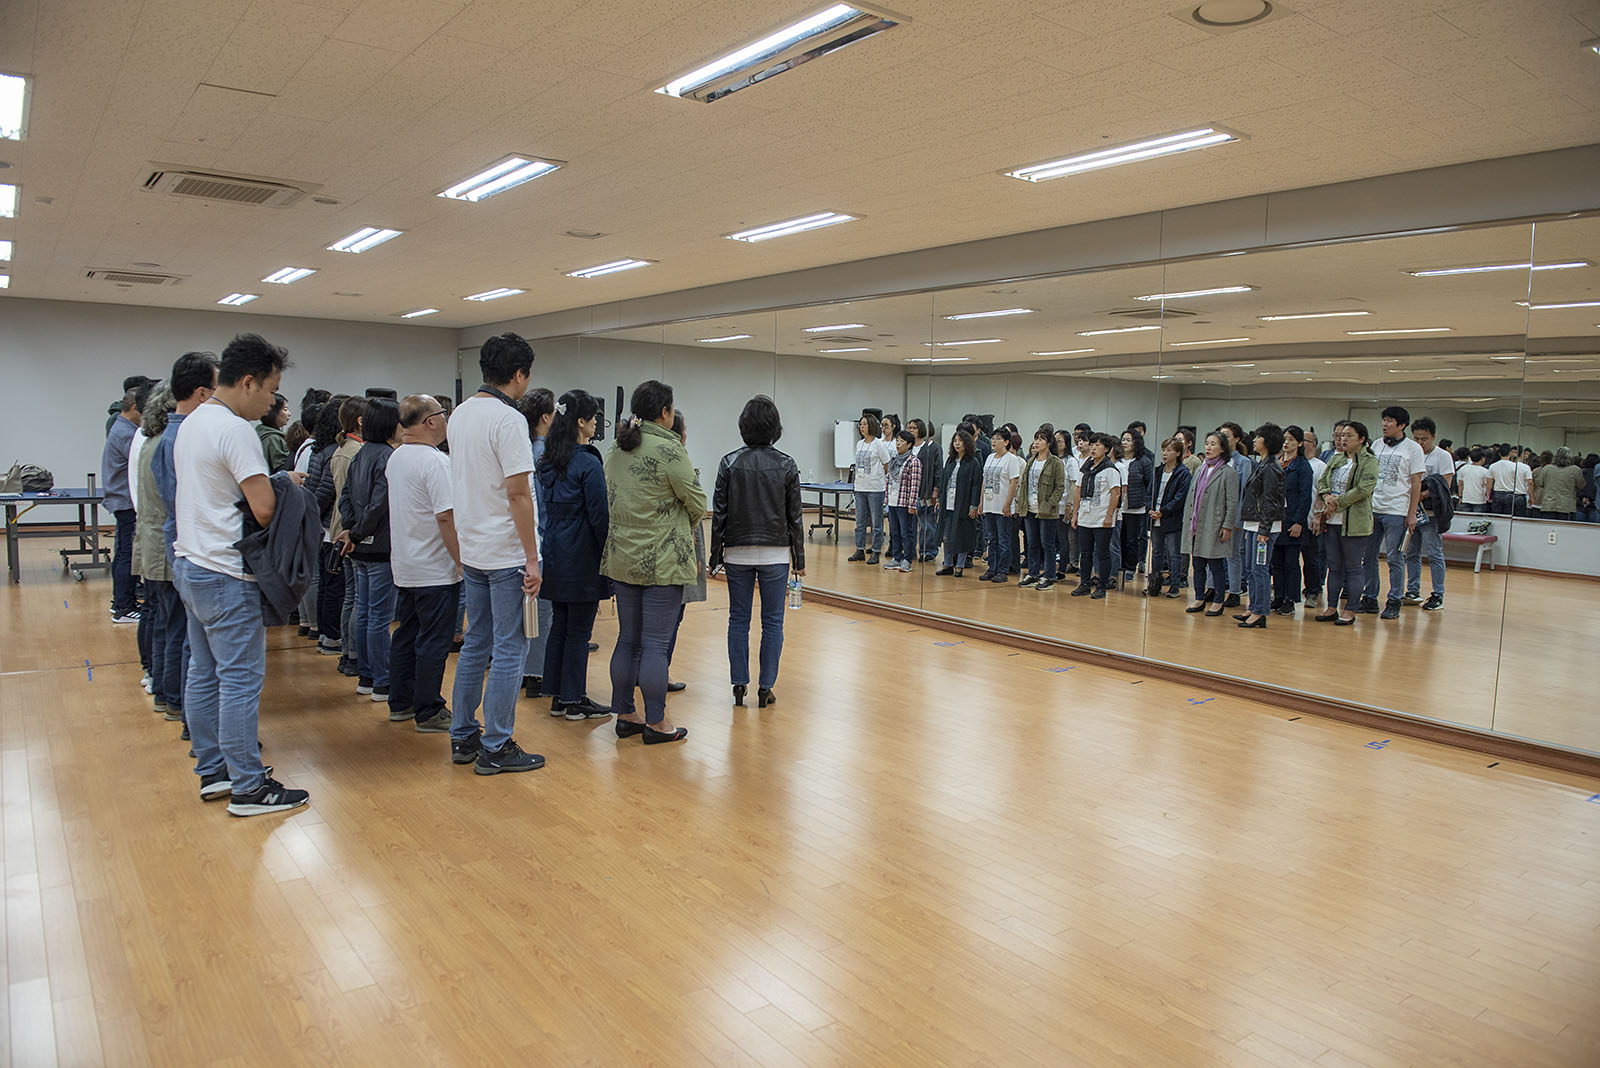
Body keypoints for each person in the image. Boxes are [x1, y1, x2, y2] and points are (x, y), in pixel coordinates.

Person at [172, 333, 309, 816]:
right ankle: (250, 787)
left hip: (191, 563)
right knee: (239, 681)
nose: (273, 401)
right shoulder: (235, 430)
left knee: (204, 672)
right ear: (248, 382)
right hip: (227, 571)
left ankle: (214, 771)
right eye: (271, 390)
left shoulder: (192, 420)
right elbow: (265, 509)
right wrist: (282, 486)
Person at [448, 333, 545, 775]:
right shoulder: (508, 421)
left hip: (473, 548)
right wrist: (532, 557)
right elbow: (518, 494)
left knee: (476, 643)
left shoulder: (460, 414)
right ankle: (497, 745)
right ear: (519, 374)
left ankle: (464, 734)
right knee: (510, 648)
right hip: (506, 553)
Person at [602, 380, 704, 744]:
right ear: (665, 411)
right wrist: (684, 525)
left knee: (627, 639)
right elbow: (697, 502)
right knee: (656, 645)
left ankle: (625, 713)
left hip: (622, 557)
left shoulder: (616, 448)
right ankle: (657, 722)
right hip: (662, 560)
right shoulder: (670, 449)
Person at [709, 395, 804, 708]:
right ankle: (766, 687)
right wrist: (799, 559)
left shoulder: (729, 463)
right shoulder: (787, 464)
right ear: (775, 428)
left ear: (743, 426)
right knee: (772, 622)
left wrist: (715, 556)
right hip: (776, 554)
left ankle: (739, 685)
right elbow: (795, 517)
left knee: (738, 619)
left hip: (737, 553)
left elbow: (719, 514)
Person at [150, 352, 219, 739]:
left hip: (185, 548)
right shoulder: (182, 437)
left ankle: (194, 722)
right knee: (199, 651)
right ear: (201, 393)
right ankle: (199, 727)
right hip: (194, 552)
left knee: (194, 646)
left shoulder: (174, 434)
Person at [382, 395, 460, 733]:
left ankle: (401, 702)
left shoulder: (397, 457)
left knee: (406, 634)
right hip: (435, 568)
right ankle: (429, 710)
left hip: (406, 564)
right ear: (430, 421)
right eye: (443, 415)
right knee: (434, 640)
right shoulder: (435, 462)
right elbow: (446, 516)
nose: (446, 421)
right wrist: (461, 560)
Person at [534, 389, 612, 719]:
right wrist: (608, 555)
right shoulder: (587, 462)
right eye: (594, 418)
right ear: (581, 422)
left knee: (560, 626)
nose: (596, 424)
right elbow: (599, 516)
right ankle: (574, 699)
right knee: (579, 631)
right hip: (582, 556)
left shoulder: (549, 460)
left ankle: (557, 695)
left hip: (554, 552)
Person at [336, 398, 400, 703]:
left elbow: (345, 497)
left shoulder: (361, 453)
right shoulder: (387, 456)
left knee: (364, 611)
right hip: (379, 546)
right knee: (378, 616)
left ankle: (366, 675)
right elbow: (380, 503)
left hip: (360, 546)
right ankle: (382, 680)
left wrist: (352, 530)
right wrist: (360, 531)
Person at [133, 384, 179, 717]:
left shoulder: (149, 441)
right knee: (174, 627)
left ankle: (163, 691)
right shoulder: (166, 444)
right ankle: (173, 697)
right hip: (164, 546)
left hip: (150, 544)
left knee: (164, 623)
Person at [1314, 421, 1378, 626]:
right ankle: (1331, 607)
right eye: (1341, 436)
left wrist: (1338, 502)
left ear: (1361, 439)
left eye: (1349, 436)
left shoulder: (1369, 461)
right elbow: (1323, 482)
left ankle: (1350, 609)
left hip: (1355, 522)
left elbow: (1364, 489)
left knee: (1353, 567)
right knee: (1334, 566)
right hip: (1332, 521)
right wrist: (1326, 497)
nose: (1343, 439)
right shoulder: (1337, 458)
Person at [1364, 405, 1425, 619]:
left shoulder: (1413, 449)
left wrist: (1411, 513)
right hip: (1374, 508)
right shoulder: (1376, 445)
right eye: (1384, 420)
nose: (1385, 424)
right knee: (1368, 556)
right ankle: (1370, 597)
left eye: (1390, 421)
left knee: (1394, 557)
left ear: (1402, 425)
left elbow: (1416, 482)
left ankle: (1394, 600)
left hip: (1397, 511)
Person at [518, 388, 557, 699]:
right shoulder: (542, 455)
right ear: (545, 417)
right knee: (541, 612)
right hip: (540, 540)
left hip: (518, 541)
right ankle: (537, 673)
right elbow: (543, 505)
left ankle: (523, 670)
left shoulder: (521, 449)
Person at [665, 408, 706, 693]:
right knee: (671, 617)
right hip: (677, 549)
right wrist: (693, 553)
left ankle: (648, 670)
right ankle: (660, 671)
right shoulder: (677, 462)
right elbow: (696, 507)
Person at [1180, 431, 1238, 617]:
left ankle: (1218, 601)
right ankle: (1199, 598)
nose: (1209, 447)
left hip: (1215, 524)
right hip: (1197, 524)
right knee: (1197, 564)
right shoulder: (1201, 469)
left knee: (1215, 564)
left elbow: (1232, 502)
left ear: (1222, 448)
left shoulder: (1228, 472)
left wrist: (1227, 525)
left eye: (1213, 444)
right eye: (1207, 443)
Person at [327, 396, 365, 677]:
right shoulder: (354, 452)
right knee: (357, 597)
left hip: (342, 527)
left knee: (351, 596)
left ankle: (348, 653)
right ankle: (354, 655)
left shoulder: (344, 449)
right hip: (350, 530)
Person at [1236, 423, 1285, 629]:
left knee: (1259, 569)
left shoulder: (1272, 467)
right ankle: (1253, 606)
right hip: (1253, 524)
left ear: (1267, 441)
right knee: (1250, 569)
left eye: (1258, 437)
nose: (1254, 440)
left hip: (1264, 527)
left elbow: (1270, 501)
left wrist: (1264, 530)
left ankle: (1260, 611)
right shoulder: (1263, 464)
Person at [305, 398, 345, 652]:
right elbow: (326, 490)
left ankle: (323, 633)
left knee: (325, 584)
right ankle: (331, 636)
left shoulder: (319, 449)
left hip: (321, 526)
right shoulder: (335, 451)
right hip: (331, 527)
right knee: (334, 587)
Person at [102, 386, 143, 623]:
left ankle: (121, 602)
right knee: (128, 554)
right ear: (135, 408)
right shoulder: (126, 433)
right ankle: (124, 606)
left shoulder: (121, 427)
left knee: (124, 553)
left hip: (122, 499)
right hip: (126, 501)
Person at [1404, 416, 1454, 611]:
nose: (1420, 443)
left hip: (1431, 514)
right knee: (1411, 552)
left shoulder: (1442, 456)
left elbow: (1445, 485)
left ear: (1433, 437)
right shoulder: (1410, 454)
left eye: (1424, 439)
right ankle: (1412, 590)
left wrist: (1421, 495)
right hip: (1411, 512)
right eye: (1416, 438)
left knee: (1434, 553)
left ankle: (1438, 594)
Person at [1071, 433, 1123, 599]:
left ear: (1106, 449)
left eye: (1098, 445)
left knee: (1102, 553)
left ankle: (1101, 586)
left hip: (1102, 518)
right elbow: (1078, 491)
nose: (1093, 448)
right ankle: (1084, 584)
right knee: (1085, 553)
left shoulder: (1110, 470)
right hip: (1085, 516)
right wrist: (1075, 514)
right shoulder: (1085, 468)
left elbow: (1116, 493)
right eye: (1092, 445)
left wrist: (1109, 516)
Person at [1270, 425, 1313, 616]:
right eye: (1285, 439)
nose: (1286, 443)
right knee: (1276, 562)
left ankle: (1290, 598)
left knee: (1291, 563)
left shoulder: (1302, 466)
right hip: (1275, 519)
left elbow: (1305, 497)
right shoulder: (1277, 462)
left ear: (1300, 443)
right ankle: (1279, 595)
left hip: (1292, 520)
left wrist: (1298, 522)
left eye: (1291, 440)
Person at [1017, 425, 1065, 590]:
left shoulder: (1056, 463)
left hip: (1046, 511)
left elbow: (1059, 487)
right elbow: (1024, 485)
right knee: (1032, 543)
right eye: (1035, 439)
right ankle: (1033, 573)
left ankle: (1049, 576)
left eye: (1041, 440)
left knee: (1047, 544)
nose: (1036, 443)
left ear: (1049, 443)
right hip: (1029, 508)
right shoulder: (1031, 461)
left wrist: (1049, 504)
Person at [1149, 436, 1192, 598]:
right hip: (1155, 516)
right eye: (1163, 450)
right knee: (1156, 552)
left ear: (1178, 453)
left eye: (1169, 450)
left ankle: (1174, 585)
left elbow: (1180, 497)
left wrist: (1164, 511)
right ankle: (1154, 585)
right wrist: (1150, 508)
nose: (1164, 453)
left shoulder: (1183, 473)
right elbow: (1150, 492)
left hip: (1172, 518)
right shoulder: (1158, 471)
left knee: (1174, 553)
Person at [848, 412, 893, 564]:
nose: (862, 427)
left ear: (872, 425)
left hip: (875, 489)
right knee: (860, 522)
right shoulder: (859, 444)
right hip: (860, 488)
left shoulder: (878, 444)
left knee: (876, 523)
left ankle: (875, 551)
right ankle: (860, 549)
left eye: (865, 424)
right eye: (860, 424)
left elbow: (887, 465)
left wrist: (878, 477)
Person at [977, 428, 1021, 584]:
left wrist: (1008, 504)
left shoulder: (1011, 459)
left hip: (1003, 506)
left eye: (998, 438)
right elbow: (984, 481)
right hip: (989, 505)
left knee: (1003, 540)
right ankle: (992, 568)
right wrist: (981, 502)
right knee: (991, 539)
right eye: (993, 438)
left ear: (1006, 442)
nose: (994, 441)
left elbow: (1013, 483)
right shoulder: (989, 457)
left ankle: (1003, 570)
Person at [934, 430, 981, 577]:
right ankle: (948, 564)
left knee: (961, 535)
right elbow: (943, 482)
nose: (957, 444)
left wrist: (974, 506)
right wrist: (939, 499)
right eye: (955, 441)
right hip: (948, 503)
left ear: (967, 443)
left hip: (963, 505)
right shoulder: (950, 461)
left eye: (960, 441)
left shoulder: (973, 462)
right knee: (947, 535)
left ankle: (960, 565)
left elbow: (976, 486)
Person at [1217, 422, 1252, 608]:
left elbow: (1244, 493)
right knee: (1213, 554)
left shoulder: (1243, 462)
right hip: (1216, 514)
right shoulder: (1216, 460)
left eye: (1227, 435)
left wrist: (1237, 519)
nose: (1223, 438)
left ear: (1237, 439)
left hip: (1233, 515)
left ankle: (1235, 591)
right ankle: (1213, 588)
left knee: (1233, 554)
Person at [1119, 428, 1154, 585]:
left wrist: (1146, 503)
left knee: (1132, 540)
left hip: (1136, 507)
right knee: (1120, 538)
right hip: (1119, 507)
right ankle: (1119, 567)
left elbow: (1149, 484)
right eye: (1123, 440)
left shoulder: (1143, 461)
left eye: (1128, 440)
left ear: (1136, 443)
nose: (1124, 443)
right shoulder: (1118, 460)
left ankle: (1130, 568)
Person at [884, 430, 920, 573]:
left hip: (904, 503)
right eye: (897, 441)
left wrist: (912, 504)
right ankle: (896, 557)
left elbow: (914, 485)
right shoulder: (893, 460)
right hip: (893, 501)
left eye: (901, 441)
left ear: (909, 444)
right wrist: (886, 501)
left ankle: (907, 560)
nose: (898, 444)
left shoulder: (913, 462)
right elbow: (888, 481)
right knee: (894, 532)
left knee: (906, 532)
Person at [1300, 430, 1328, 608]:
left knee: (1311, 559)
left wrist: (1318, 515)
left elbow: (1322, 493)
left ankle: (1313, 591)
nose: (1301, 443)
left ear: (1313, 444)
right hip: (1293, 519)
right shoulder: (1292, 463)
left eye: (1305, 440)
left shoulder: (1320, 466)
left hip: (1310, 520)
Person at [910, 419, 941, 562]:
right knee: (911, 525)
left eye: (914, 428)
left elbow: (938, 470)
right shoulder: (909, 447)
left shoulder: (933, 448)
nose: (911, 430)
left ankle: (928, 550)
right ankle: (911, 550)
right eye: (909, 427)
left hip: (926, 492)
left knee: (927, 524)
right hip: (911, 492)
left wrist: (935, 490)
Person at [1536, 447, 1585, 521]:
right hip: (1567, 507)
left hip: (1549, 505)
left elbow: (1539, 483)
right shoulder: (1576, 470)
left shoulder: (1547, 469)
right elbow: (1581, 485)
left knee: (1548, 527)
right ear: (1570, 457)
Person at [256, 392, 290, 473]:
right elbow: (282, 469)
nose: (289, 414)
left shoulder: (260, 432)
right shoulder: (273, 439)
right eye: (285, 410)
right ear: (273, 413)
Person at [1457, 447, 1492, 513]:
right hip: (1479, 500)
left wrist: (1460, 497)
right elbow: (1488, 485)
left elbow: (1460, 484)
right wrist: (1488, 496)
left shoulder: (1464, 469)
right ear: (1482, 458)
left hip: (1466, 499)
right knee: (1477, 518)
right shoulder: (1485, 471)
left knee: (1465, 518)